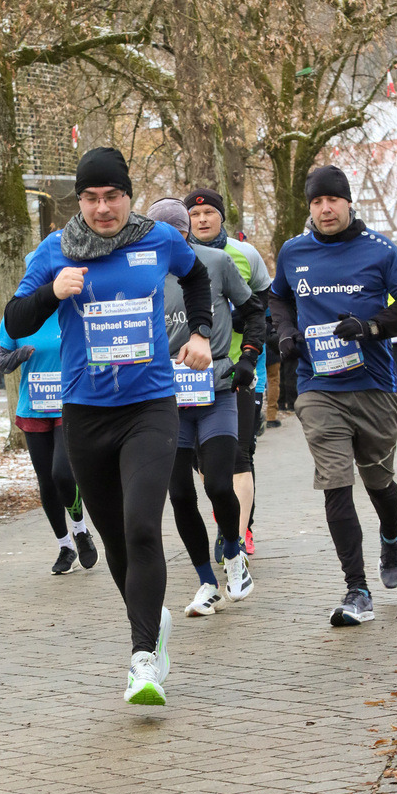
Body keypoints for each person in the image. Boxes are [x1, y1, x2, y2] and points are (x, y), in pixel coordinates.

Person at [4, 147, 213, 705]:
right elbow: (14, 320)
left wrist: (199, 332)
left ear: (128, 196)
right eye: (91, 198)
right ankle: (151, 623)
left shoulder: (159, 239)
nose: (102, 208)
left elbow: (196, 278)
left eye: (112, 196)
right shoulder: (56, 250)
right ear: (79, 201)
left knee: (142, 525)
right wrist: (53, 292)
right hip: (85, 414)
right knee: (117, 540)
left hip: (149, 406)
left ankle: (142, 659)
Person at [270, 164, 397, 626]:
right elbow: (278, 297)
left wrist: (370, 327)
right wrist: (286, 332)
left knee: (379, 484)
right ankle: (357, 590)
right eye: (317, 201)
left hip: (375, 386)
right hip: (318, 387)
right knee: (336, 481)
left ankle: (392, 537)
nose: (325, 209)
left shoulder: (379, 249)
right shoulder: (293, 251)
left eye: (332, 199)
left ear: (348, 202)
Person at [148, 198, 264, 617]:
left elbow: (254, 312)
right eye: (158, 233)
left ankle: (233, 555)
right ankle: (206, 583)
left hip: (216, 391)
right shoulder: (142, 271)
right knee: (180, 494)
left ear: (185, 233)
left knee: (217, 484)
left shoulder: (215, 262)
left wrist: (248, 357)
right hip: (166, 399)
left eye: (176, 233)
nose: (169, 241)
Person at [185, 189, 272, 556]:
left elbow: (263, 306)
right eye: (195, 214)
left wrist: (249, 347)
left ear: (221, 216)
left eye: (209, 212)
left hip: (239, 369)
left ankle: (239, 531)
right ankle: (227, 519)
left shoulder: (244, 254)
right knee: (205, 460)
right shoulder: (175, 259)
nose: (202, 219)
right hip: (190, 375)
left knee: (240, 453)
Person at [0, 302, 98, 575]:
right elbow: (0, 361)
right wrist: (19, 355)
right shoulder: (19, 315)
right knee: (46, 481)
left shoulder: (73, 308)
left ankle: (80, 530)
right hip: (34, 407)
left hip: (69, 404)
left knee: (62, 472)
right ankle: (65, 546)